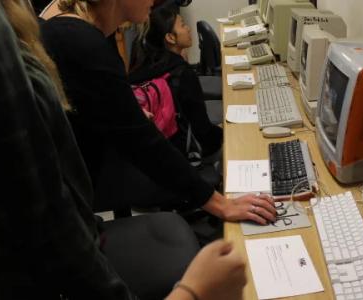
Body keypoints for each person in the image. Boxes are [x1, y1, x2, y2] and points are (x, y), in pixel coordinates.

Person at [0, 0, 246, 299]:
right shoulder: (65, 39)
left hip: (77, 229)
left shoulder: (69, 30)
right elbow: (48, 223)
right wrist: (194, 290)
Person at [40, 0, 276, 225]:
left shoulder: (87, 32)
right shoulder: (82, 43)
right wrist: (221, 204)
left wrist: (127, 108)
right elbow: (144, 143)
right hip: (70, 204)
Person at [129, 1, 222, 162]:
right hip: (183, 154)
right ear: (170, 38)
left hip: (153, 155)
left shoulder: (143, 65)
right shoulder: (182, 73)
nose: (188, 29)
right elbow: (203, 132)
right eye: (183, 25)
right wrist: (222, 133)